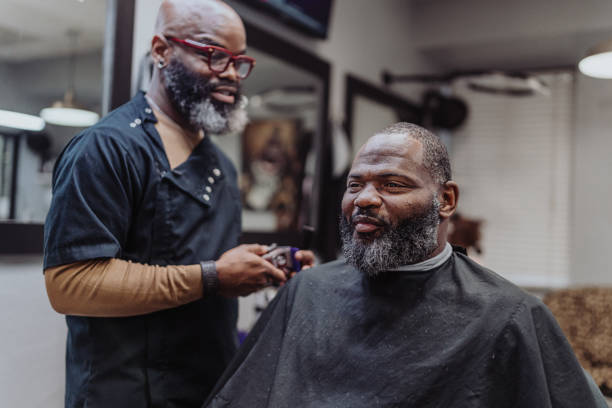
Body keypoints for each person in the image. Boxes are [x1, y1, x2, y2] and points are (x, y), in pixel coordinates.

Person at [204, 122, 607, 407]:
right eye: (355, 184)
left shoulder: (510, 315)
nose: (363, 198)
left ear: (446, 200)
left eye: (392, 185)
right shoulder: (306, 291)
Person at [43, 1, 312, 407]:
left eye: (239, 62)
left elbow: (200, 259)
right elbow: (70, 283)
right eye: (214, 55)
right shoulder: (106, 148)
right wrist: (213, 278)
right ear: (161, 51)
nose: (230, 75)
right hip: (125, 391)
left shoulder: (220, 166)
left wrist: (262, 267)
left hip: (205, 385)